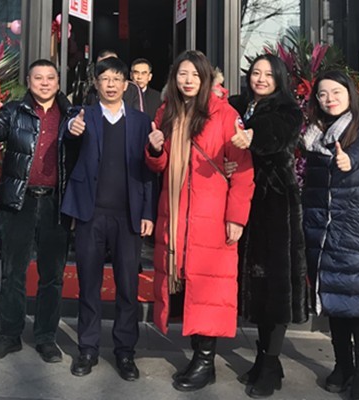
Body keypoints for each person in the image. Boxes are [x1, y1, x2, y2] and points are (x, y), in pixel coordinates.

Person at [145, 50, 254, 392]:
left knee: (208, 286)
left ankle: (205, 361)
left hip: (212, 215)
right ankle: (199, 356)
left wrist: (236, 218)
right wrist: (155, 150)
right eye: (182, 74)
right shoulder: (167, 111)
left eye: (194, 74)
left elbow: (243, 170)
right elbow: (160, 166)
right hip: (177, 213)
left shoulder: (225, 114)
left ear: (206, 77)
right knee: (189, 283)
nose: (188, 80)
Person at [62, 57, 156, 381]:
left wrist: (147, 212)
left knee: (128, 287)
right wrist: (71, 130)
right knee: (88, 285)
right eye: (105, 78)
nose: (111, 84)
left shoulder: (141, 121)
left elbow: (149, 170)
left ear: (126, 84)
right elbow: (66, 137)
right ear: (96, 83)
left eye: (117, 78)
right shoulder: (82, 115)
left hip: (127, 216)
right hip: (91, 214)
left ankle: (125, 351)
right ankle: (87, 348)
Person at [0, 59, 78, 363]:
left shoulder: (72, 115)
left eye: (50, 78)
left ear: (58, 82)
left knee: (52, 275)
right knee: (13, 272)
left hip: (55, 203)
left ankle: (46, 337)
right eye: (38, 78)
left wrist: (79, 134)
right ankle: (9, 335)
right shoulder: (13, 110)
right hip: (19, 201)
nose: (45, 83)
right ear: (28, 80)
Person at [302, 70, 359, 400]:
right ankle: (343, 366)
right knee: (336, 301)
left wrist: (348, 159)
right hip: (324, 231)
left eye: (336, 92)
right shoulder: (313, 134)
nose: (330, 99)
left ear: (349, 94)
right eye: (323, 94)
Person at [228, 54, 307, 398]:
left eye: (268, 74)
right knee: (257, 286)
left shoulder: (288, 110)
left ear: (279, 80)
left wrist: (251, 137)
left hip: (275, 205)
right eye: (256, 73)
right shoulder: (240, 105)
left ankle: (271, 362)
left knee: (276, 288)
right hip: (248, 202)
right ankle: (265, 359)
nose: (260, 79)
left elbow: (273, 136)